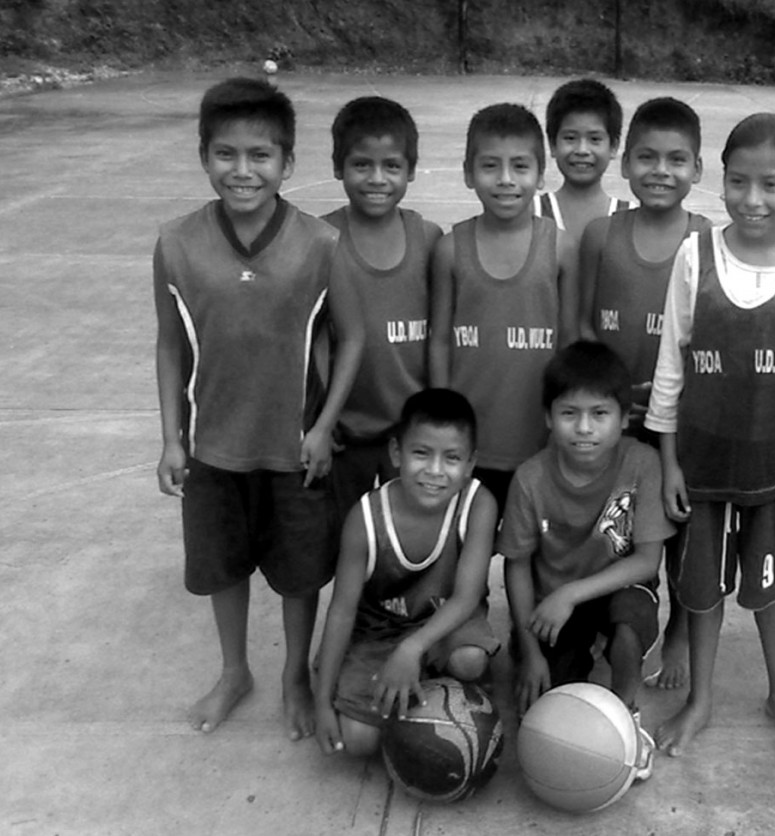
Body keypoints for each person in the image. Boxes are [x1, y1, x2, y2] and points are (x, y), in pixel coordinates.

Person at [153, 77, 365, 739]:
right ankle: (234, 669)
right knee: (223, 566)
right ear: (204, 156)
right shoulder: (177, 243)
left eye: (260, 156)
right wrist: (172, 438)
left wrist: (325, 426)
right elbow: (169, 345)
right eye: (226, 154)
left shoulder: (320, 245)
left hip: (293, 446)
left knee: (299, 573)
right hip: (213, 446)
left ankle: (294, 674)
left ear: (288, 164)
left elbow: (353, 335)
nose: (242, 170)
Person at [646, 113, 775, 758]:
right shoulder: (694, 254)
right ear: (720, 180)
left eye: (772, 185)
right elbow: (669, 365)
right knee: (700, 590)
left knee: (773, 589)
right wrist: (668, 462)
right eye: (737, 182)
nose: (752, 200)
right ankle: (700, 700)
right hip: (701, 463)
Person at [578, 96, 711, 690]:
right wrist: (606, 398)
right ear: (624, 163)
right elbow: (580, 326)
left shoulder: (708, 238)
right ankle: (606, 614)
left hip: (678, 425)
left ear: (699, 170)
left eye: (677, 159)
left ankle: (679, 629)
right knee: (610, 523)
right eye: (648, 157)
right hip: (612, 417)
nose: (662, 170)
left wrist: (670, 401)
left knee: (679, 529)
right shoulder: (600, 234)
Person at [498, 341, 673, 779]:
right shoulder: (531, 478)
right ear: (548, 418)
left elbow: (648, 561)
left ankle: (627, 718)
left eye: (600, 414)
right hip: (552, 601)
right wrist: (531, 651)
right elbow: (516, 564)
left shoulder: (642, 462)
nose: (584, 428)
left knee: (628, 627)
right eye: (569, 413)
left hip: (615, 587)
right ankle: (572, 653)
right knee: (544, 719)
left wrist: (573, 594)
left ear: (623, 418)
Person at [313, 389, 500, 757]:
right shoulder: (365, 519)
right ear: (396, 453)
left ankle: (431, 685)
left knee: (470, 660)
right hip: (379, 631)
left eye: (451, 458)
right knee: (358, 743)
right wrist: (322, 703)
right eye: (421, 453)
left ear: (470, 464)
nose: (434, 470)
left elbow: (466, 597)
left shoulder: (478, 504)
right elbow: (341, 612)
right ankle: (396, 685)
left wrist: (412, 648)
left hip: (447, 624)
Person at [428, 102, 578, 506]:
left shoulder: (561, 248)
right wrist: (443, 422)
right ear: (467, 172)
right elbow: (439, 340)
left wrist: (565, 423)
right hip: (468, 442)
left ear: (541, 174)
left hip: (538, 441)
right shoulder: (449, 249)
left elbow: (569, 343)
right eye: (491, 166)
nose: (506, 179)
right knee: (461, 553)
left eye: (520, 166)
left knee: (527, 555)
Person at [322, 96, 443, 517]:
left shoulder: (429, 239)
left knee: (407, 536)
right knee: (344, 540)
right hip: (344, 430)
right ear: (338, 167)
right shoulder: (322, 240)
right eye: (361, 165)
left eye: (391, 166)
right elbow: (311, 340)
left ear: (410, 169)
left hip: (410, 431)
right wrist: (320, 416)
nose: (377, 178)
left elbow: (444, 333)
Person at [536, 78, 630, 242]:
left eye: (594, 139)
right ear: (552, 145)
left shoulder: (630, 219)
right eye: (570, 138)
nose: (582, 150)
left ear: (614, 147)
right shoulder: (531, 213)